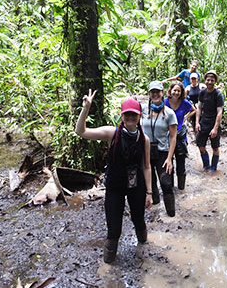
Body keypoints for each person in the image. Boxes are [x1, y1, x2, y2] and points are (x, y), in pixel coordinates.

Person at [75, 90, 152, 264]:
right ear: (122, 116)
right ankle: (109, 263)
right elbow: (81, 131)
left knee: (138, 217)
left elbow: (146, 166)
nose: (130, 118)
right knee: (114, 227)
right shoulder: (112, 133)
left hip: (136, 185)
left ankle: (143, 244)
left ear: (139, 116)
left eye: (134, 115)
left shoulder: (144, 139)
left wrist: (149, 192)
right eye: (127, 115)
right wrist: (85, 108)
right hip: (115, 186)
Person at [141, 81, 177, 217]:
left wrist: (169, 158)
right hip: (146, 151)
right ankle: (155, 204)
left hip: (163, 151)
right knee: (150, 180)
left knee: (166, 183)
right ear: (149, 94)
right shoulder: (143, 111)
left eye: (158, 91)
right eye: (152, 92)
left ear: (162, 93)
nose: (155, 94)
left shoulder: (169, 113)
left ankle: (171, 214)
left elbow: (173, 137)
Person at [165, 81, 195, 190]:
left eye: (179, 90)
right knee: (168, 161)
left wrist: (185, 119)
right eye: (174, 90)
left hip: (180, 134)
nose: (176, 92)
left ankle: (181, 189)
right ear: (170, 91)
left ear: (181, 92)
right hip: (167, 134)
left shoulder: (184, 102)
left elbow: (193, 110)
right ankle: (170, 187)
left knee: (181, 161)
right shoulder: (165, 102)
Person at [195, 70, 225, 172]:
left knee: (215, 147)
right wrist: (197, 123)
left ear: (215, 81)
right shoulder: (202, 93)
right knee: (200, 146)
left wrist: (215, 128)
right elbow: (199, 108)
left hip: (214, 123)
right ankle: (206, 165)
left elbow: (219, 112)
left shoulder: (218, 94)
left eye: (212, 80)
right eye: (208, 80)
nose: (209, 82)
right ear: (205, 80)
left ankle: (214, 167)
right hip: (203, 122)